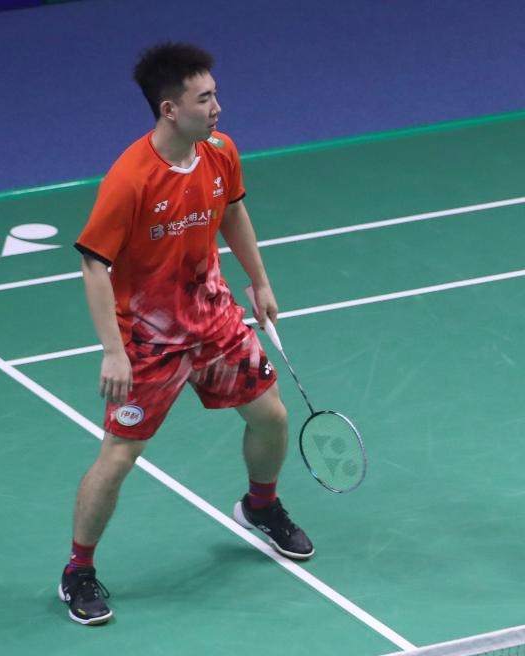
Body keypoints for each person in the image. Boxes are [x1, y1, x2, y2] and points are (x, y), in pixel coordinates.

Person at [59, 43, 313, 626]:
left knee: (271, 417)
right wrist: (113, 350)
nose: (217, 107)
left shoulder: (220, 152)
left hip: (214, 319)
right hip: (150, 343)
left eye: (216, 94)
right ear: (169, 109)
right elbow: (93, 264)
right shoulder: (130, 179)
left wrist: (260, 281)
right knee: (119, 457)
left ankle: (261, 506)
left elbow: (233, 212)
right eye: (204, 98)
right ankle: (78, 570)